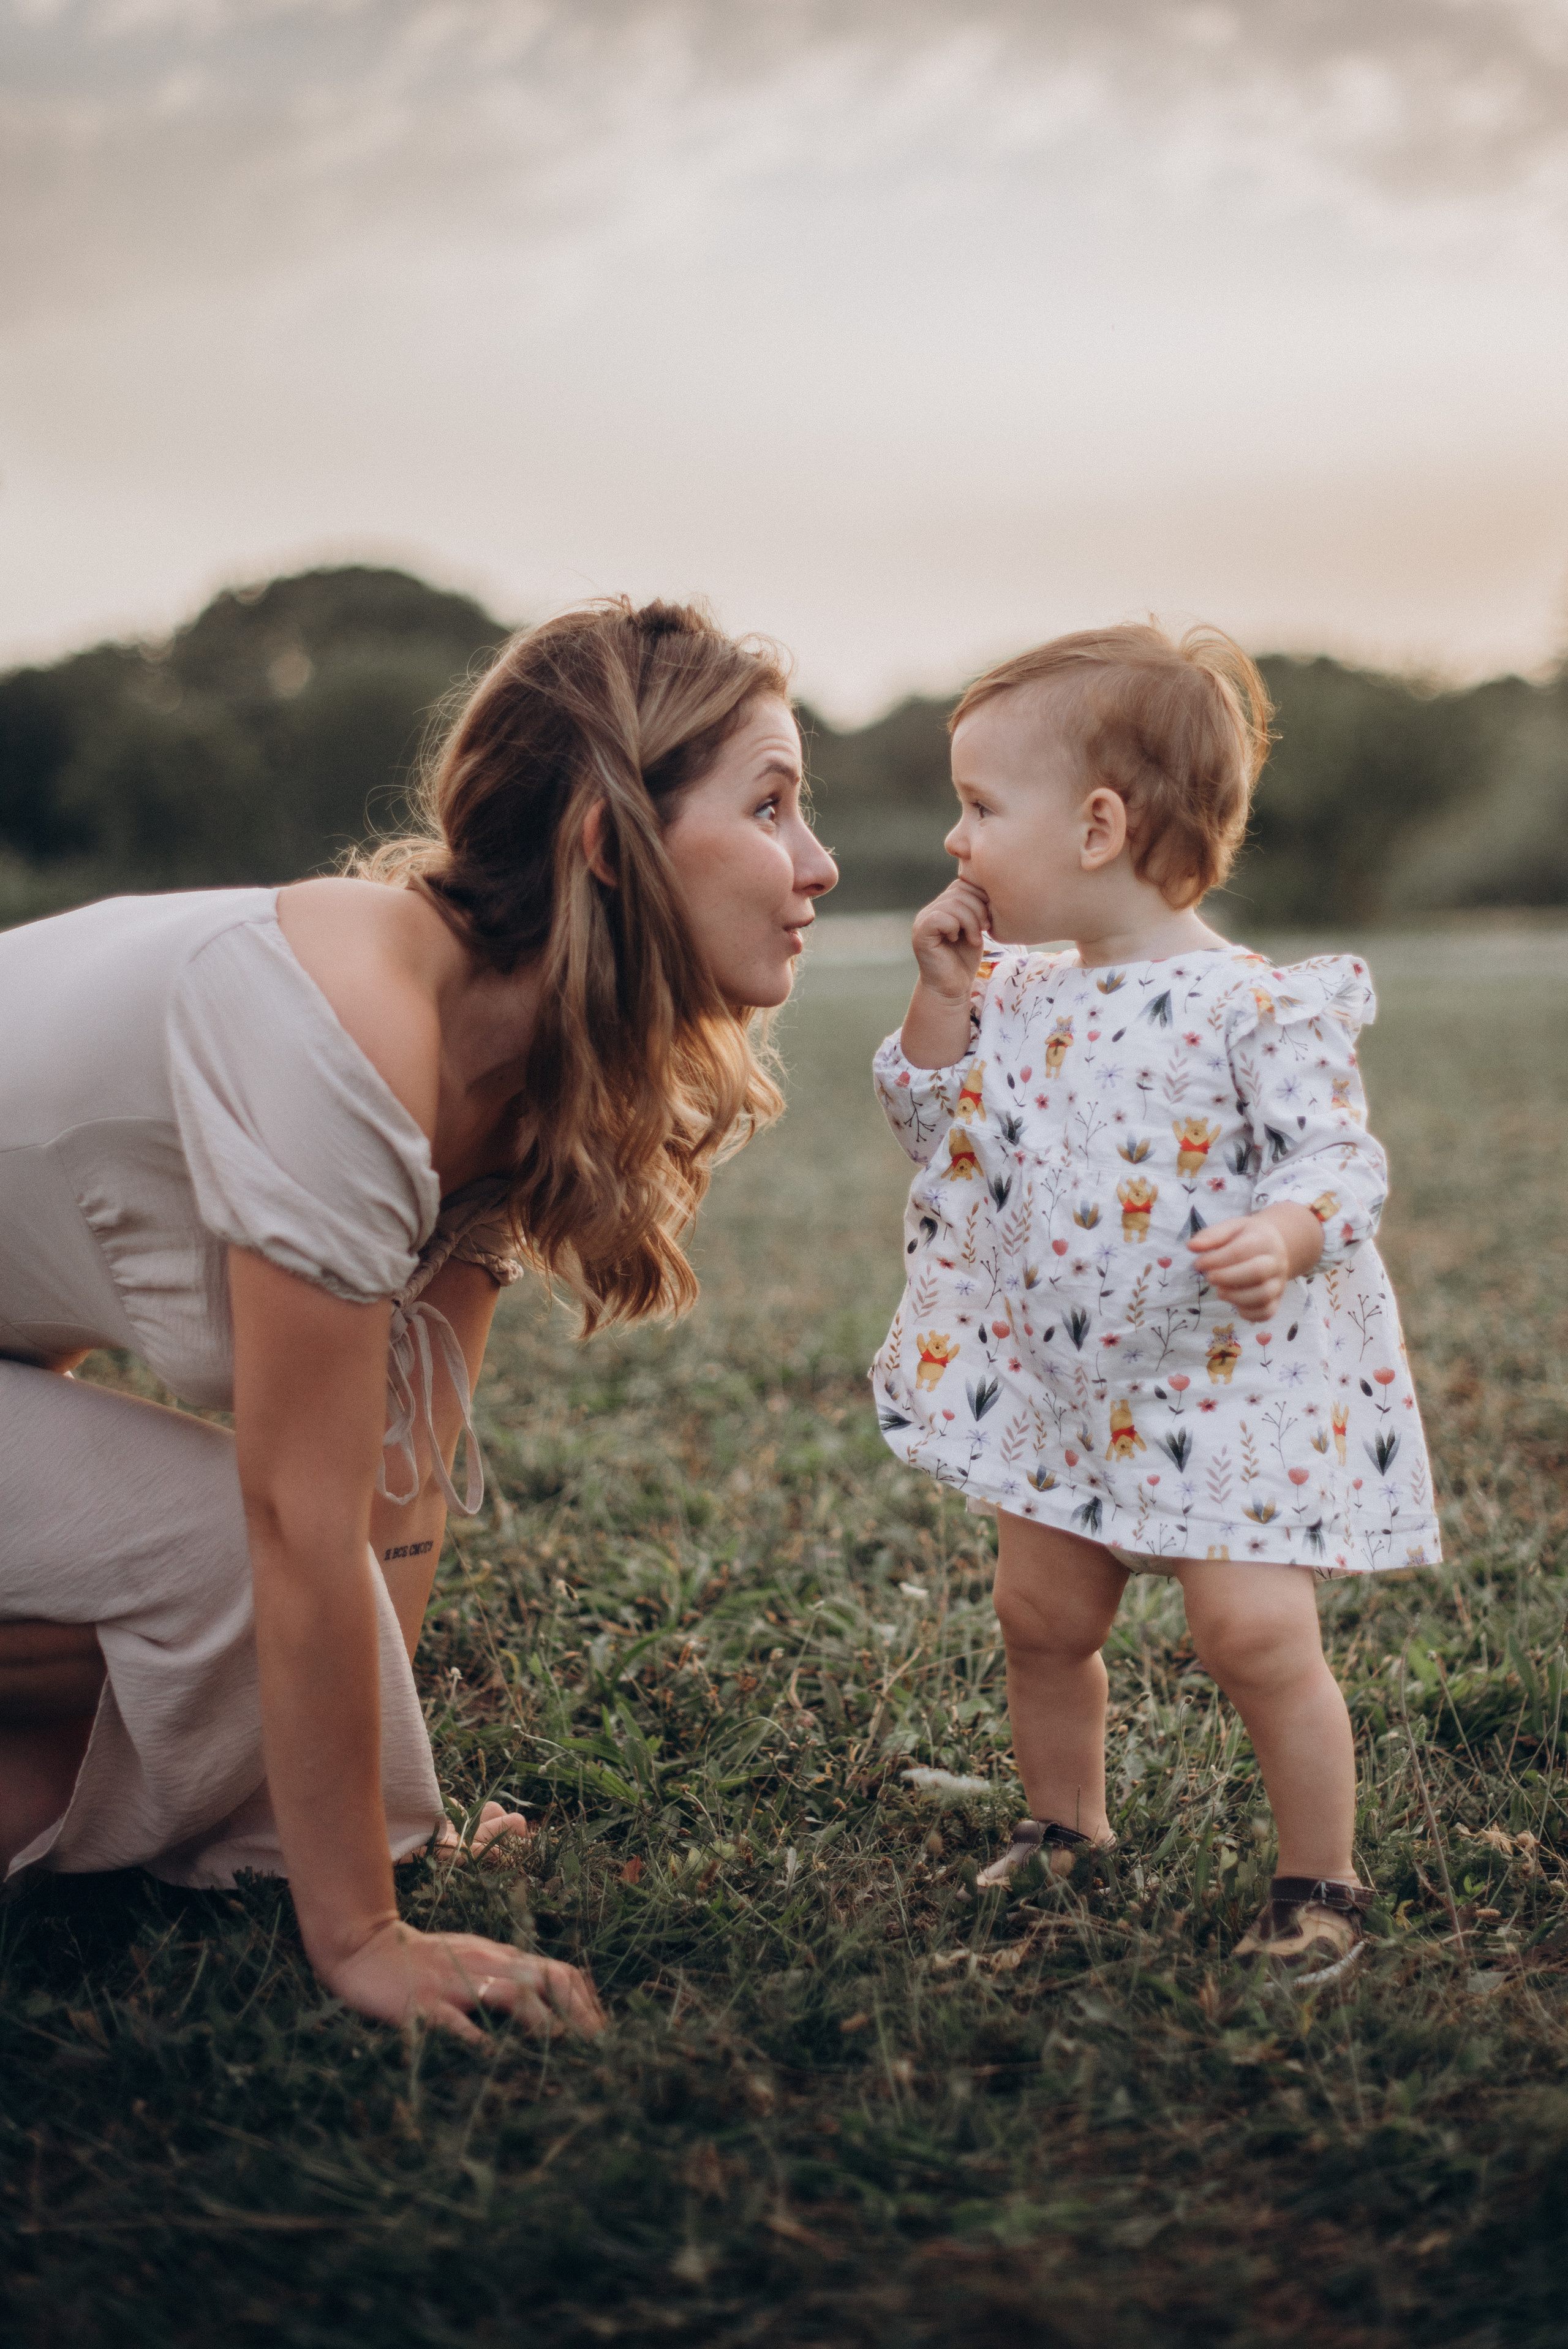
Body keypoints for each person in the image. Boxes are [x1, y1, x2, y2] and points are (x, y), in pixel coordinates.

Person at [0, 596, 837, 2038]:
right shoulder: (349, 1024)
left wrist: (389, 1818)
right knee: (226, 1559)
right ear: (603, 842)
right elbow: (296, 1528)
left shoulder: (513, 1079)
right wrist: (363, 1936)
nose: (815, 864)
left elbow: (400, 1486)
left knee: (208, 1639)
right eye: (768, 806)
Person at [870, 622, 1438, 1975]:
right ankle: (1065, 1827)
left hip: (1221, 1384)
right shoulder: (1011, 997)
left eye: (978, 807)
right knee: (1040, 1618)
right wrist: (938, 998)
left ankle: (1320, 1880)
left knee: (1251, 1632)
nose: (955, 842)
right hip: (1064, 1383)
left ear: (1097, 826)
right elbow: (925, 1120)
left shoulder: (1252, 1006)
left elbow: (1337, 1158)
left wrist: (1290, 1231)